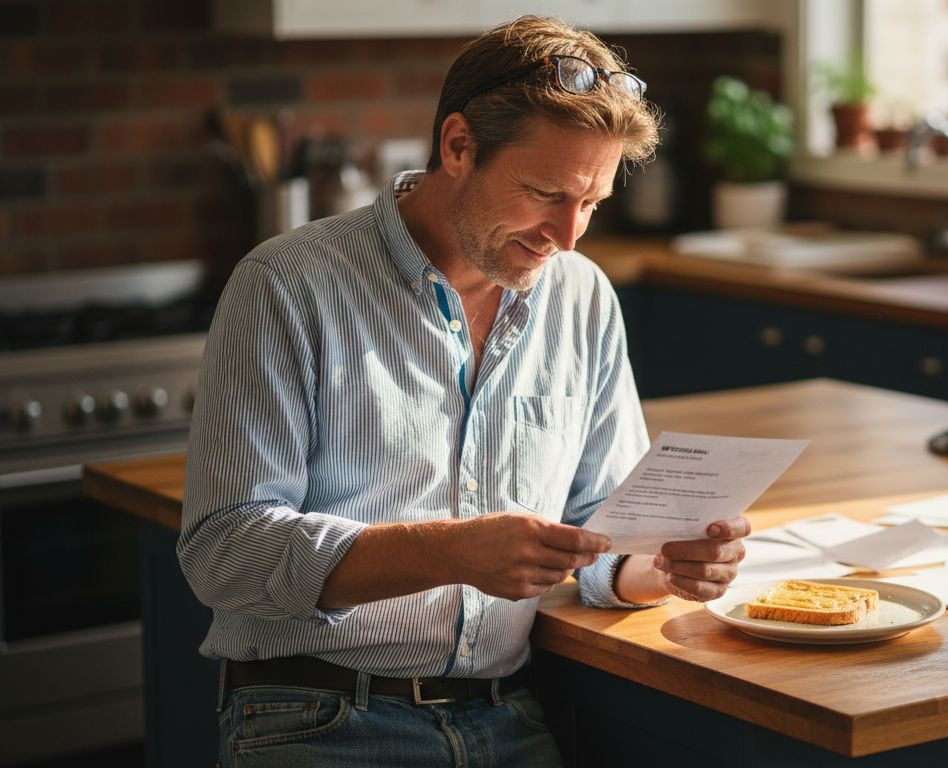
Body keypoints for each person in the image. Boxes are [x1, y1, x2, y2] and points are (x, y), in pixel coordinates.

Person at [178, 16, 750, 767]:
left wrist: (664, 568)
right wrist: (451, 552)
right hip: (317, 715)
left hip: (509, 719)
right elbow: (225, 551)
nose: (569, 236)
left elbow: (599, 536)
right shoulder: (288, 285)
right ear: (458, 146)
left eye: (593, 203)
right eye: (545, 193)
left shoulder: (581, 297)